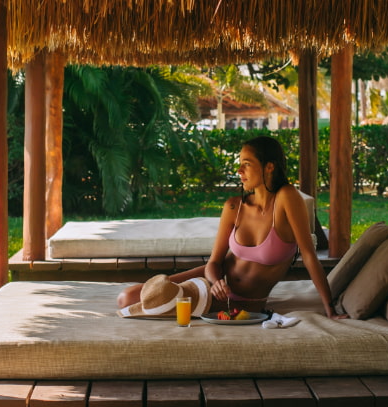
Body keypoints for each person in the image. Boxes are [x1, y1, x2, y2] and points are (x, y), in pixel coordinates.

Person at [117, 135, 347, 319]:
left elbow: (308, 255)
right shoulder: (234, 207)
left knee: (135, 301)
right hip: (215, 283)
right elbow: (214, 263)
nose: (240, 171)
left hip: (242, 301)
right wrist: (216, 281)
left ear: (269, 167)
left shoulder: (286, 197)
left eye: (247, 165)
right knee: (127, 297)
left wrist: (330, 308)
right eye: (240, 165)